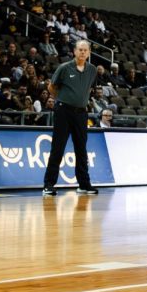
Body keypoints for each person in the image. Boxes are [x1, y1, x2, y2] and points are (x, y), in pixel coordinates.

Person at [43, 40, 100, 196]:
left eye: (85, 50)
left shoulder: (92, 70)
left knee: (81, 149)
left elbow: (89, 88)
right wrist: (62, 99)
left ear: (89, 53)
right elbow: (51, 87)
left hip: (81, 113)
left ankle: (84, 185)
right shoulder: (64, 68)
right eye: (80, 49)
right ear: (74, 51)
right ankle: (48, 185)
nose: (82, 52)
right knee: (58, 148)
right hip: (63, 112)